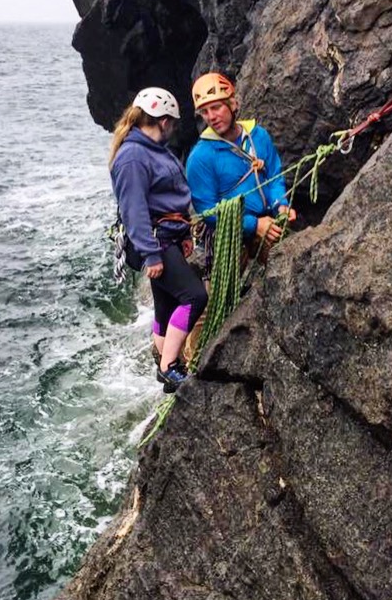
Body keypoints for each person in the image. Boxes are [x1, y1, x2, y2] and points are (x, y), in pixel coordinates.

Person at [109, 88, 207, 392]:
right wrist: (151, 255)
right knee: (194, 296)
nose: (174, 129)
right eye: (173, 124)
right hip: (154, 242)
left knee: (167, 304)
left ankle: (163, 361)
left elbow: (167, 199)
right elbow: (134, 211)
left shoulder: (154, 149)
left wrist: (184, 233)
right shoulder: (133, 157)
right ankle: (170, 367)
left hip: (168, 237)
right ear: (164, 121)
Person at [186, 73, 296, 260]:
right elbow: (208, 212)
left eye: (216, 107)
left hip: (268, 218)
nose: (211, 117)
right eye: (204, 112)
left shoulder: (258, 136)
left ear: (233, 104)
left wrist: (280, 205)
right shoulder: (200, 157)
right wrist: (254, 225)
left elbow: (274, 176)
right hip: (231, 239)